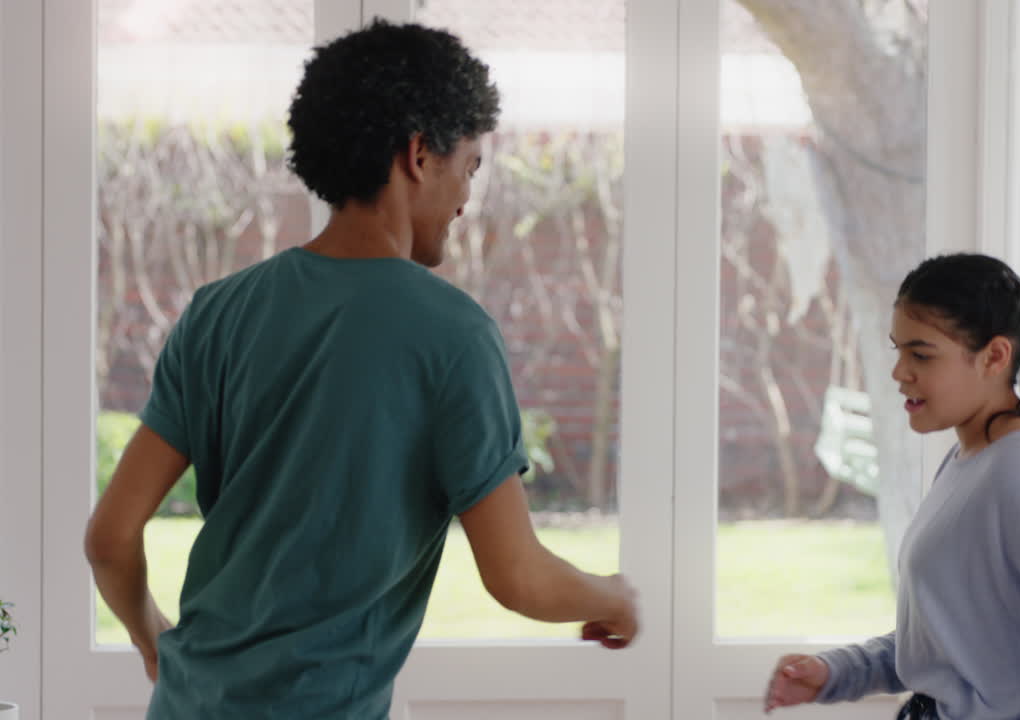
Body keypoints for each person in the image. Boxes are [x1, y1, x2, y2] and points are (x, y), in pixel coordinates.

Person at [84, 20, 638, 719]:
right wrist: (616, 598)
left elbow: (108, 537)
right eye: (469, 164)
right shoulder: (454, 336)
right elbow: (519, 577)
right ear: (417, 155)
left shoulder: (217, 313)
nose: (469, 196)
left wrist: (150, 639)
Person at [764, 253, 1020, 719]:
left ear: (994, 356)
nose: (900, 372)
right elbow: (950, 643)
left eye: (920, 354)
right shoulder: (971, 460)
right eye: (897, 350)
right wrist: (835, 671)